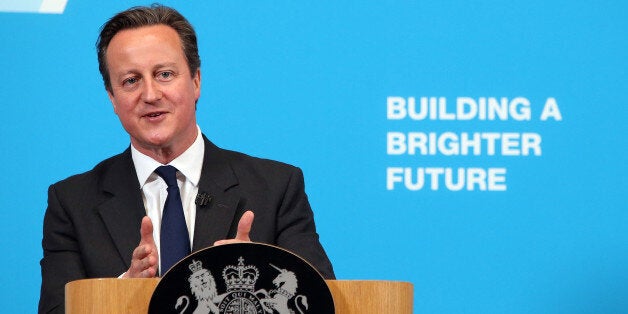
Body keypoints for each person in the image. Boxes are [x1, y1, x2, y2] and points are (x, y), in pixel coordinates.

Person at [39, 4, 334, 313]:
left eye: (164, 74)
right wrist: (122, 291)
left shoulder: (275, 188)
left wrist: (258, 281)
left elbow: (322, 301)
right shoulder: (72, 203)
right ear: (112, 98)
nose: (150, 94)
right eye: (130, 80)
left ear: (196, 81)